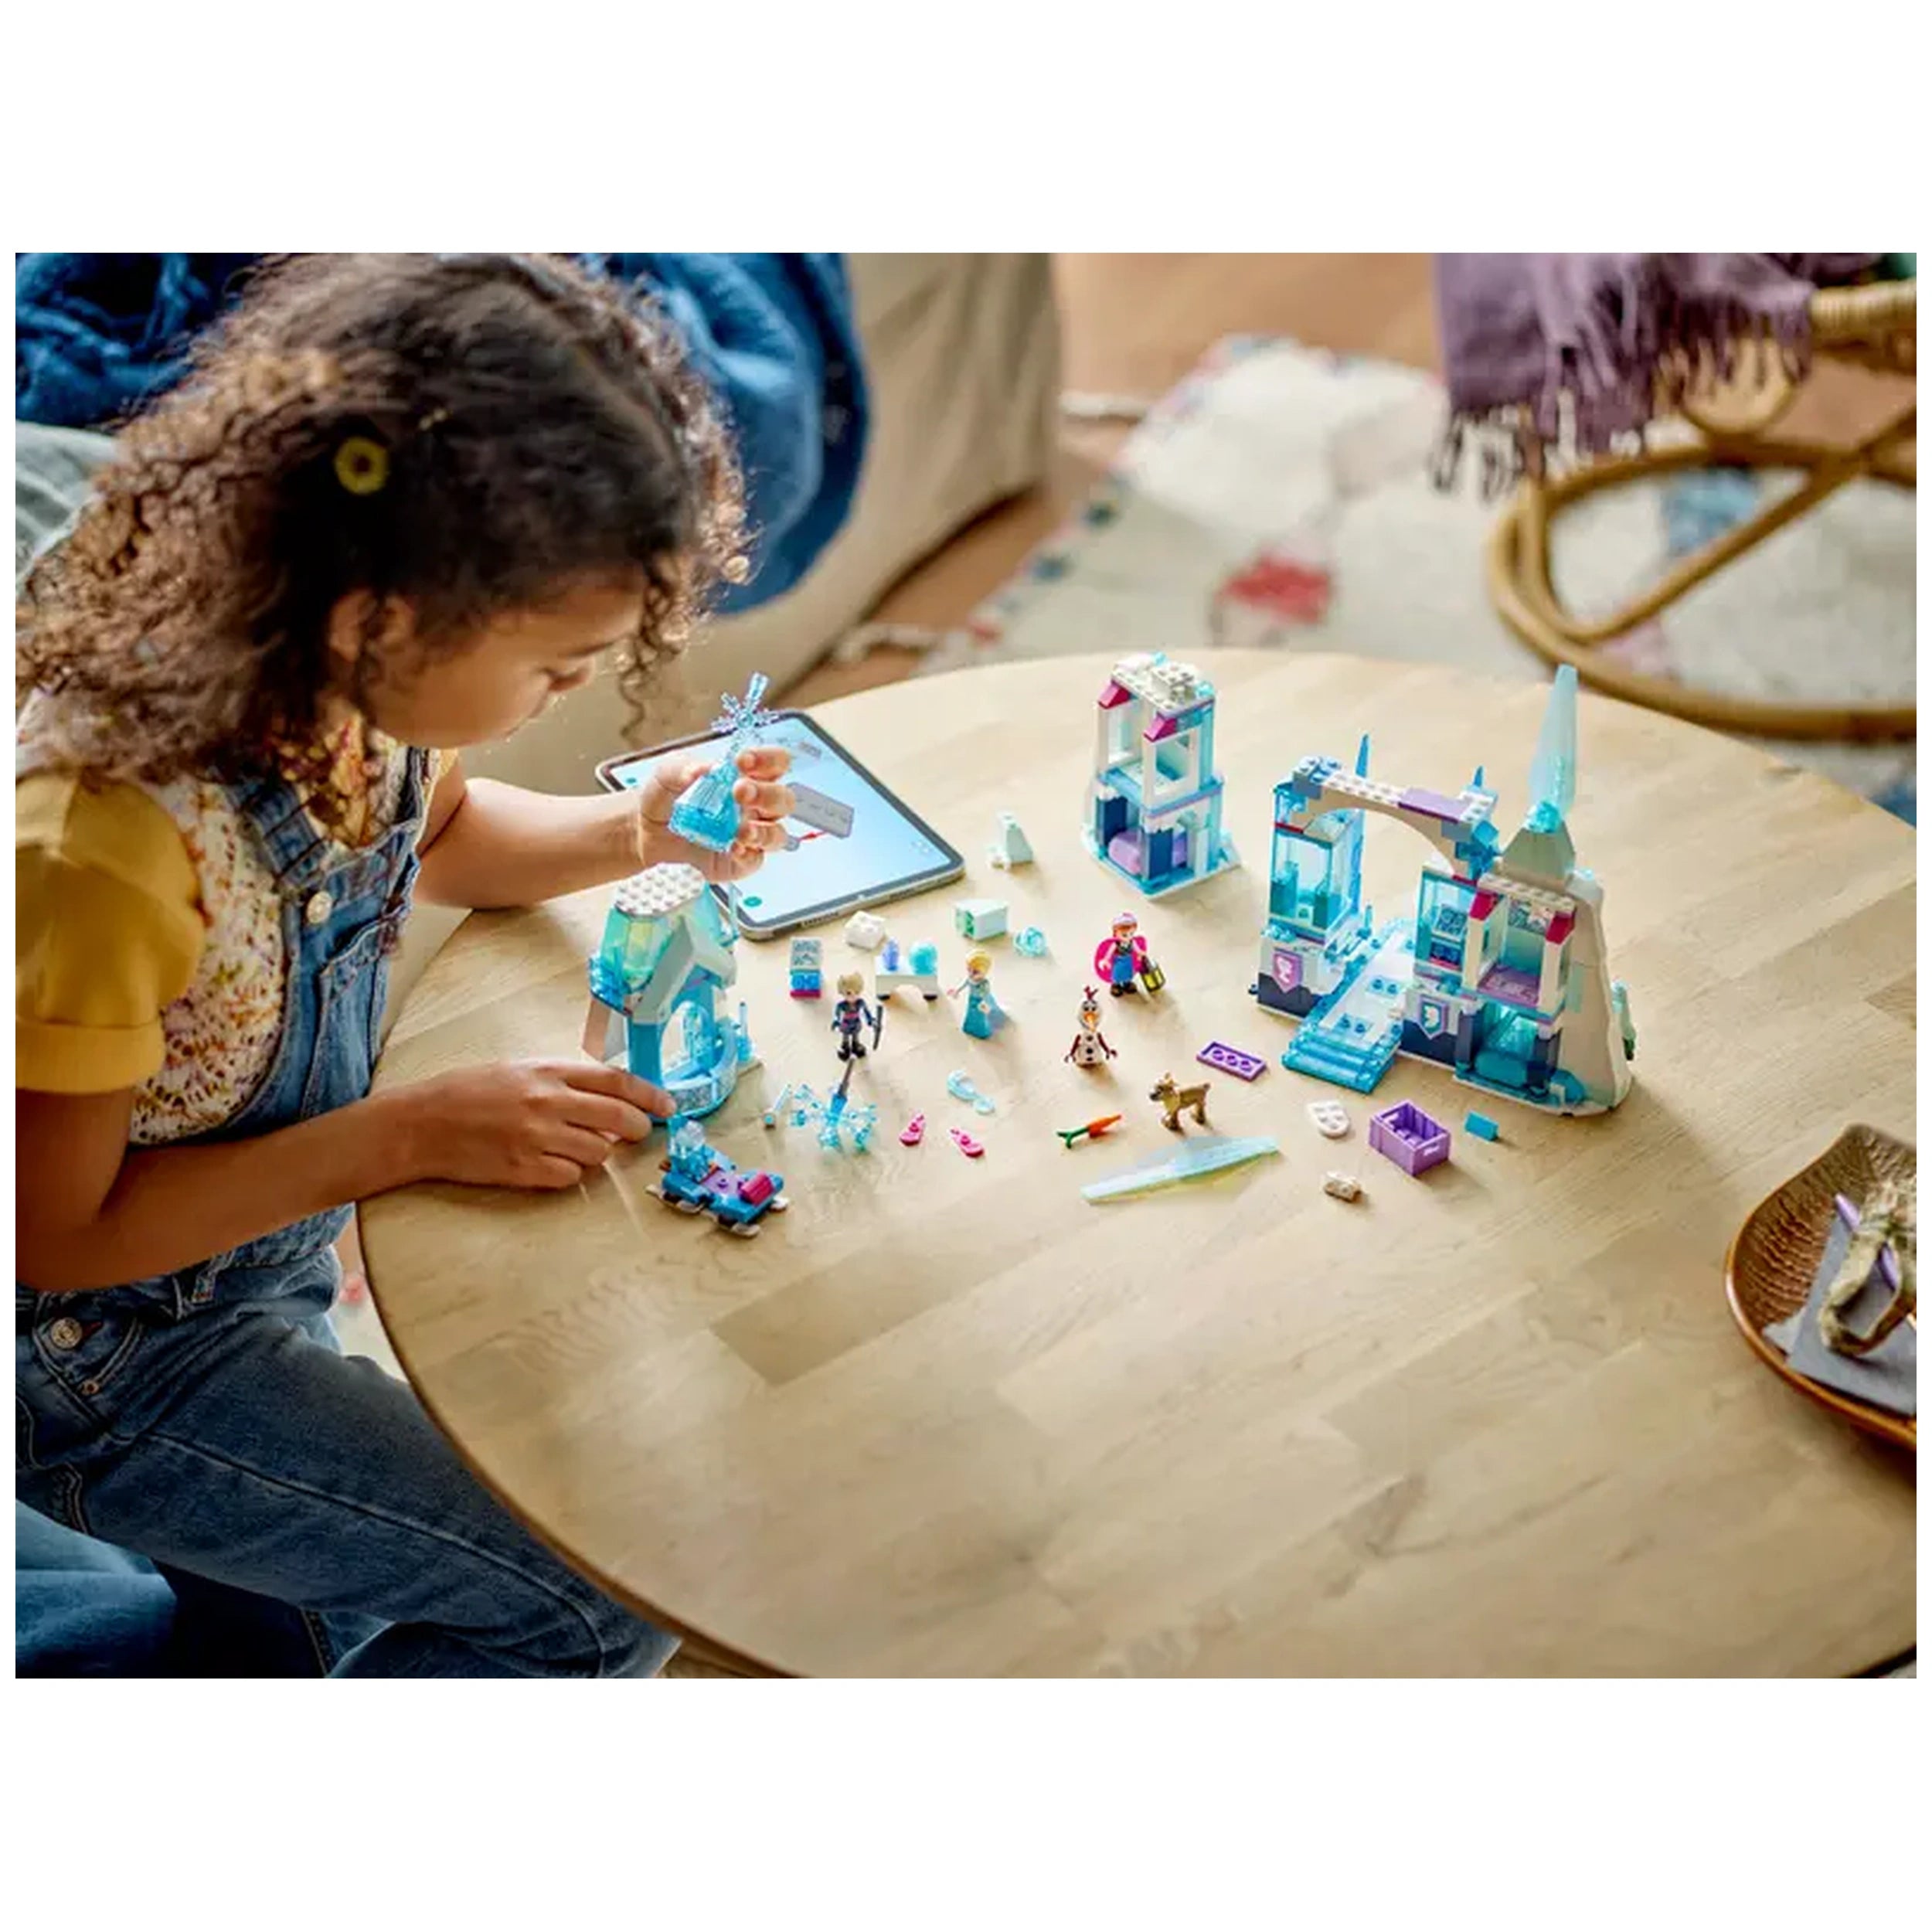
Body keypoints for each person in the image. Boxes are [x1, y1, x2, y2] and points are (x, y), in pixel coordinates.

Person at [15, 253, 802, 1677]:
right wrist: (403, 1136)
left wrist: (637, 824)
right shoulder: (107, 849)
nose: (571, 696)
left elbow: (438, 829)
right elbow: (49, 1240)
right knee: (587, 1604)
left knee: (295, 1626)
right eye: (561, 671)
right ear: (376, 613)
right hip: (87, 1355)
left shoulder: (336, 682)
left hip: (241, 1270)